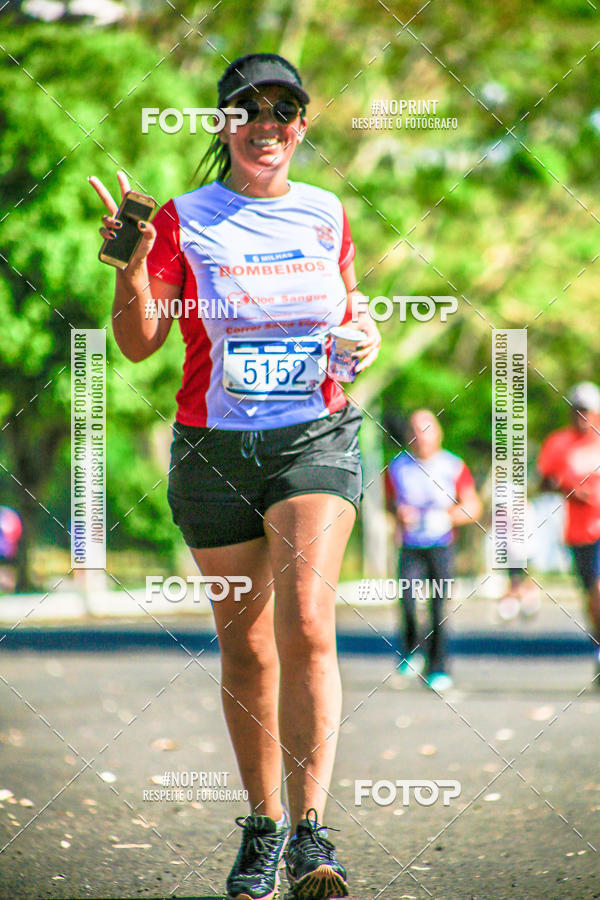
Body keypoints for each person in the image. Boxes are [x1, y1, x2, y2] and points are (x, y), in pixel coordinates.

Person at [90, 53, 381, 900]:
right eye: (248, 110)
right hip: (212, 448)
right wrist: (133, 268)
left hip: (312, 438)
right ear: (223, 124)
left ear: (303, 125)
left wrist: (366, 336)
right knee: (247, 650)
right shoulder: (183, 218)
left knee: (308, 622)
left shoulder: (327, 212)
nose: (267, 125)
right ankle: (263, 826)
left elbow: (353, 311)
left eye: (284, 110)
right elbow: (139, 344)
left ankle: (311, 834)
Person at [385, 410, 482, 692]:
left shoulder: (452, 465)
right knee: (407, 600)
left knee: (438, 607)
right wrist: (399, 513)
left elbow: (473, 506)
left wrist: (448, 517)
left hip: (441, 544)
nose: (421, 437)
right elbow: (389, 503)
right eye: (415, 431)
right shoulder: (397, 466)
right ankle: (412, 649)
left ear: (438, 433)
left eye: (426, 430)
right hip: (411, 545)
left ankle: (438, 667)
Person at [537, 382, 600, 681]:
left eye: (587, 411)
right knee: (590, 593)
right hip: (578, 532)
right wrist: (568, 486)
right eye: (577, 410)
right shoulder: (559, 443)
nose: (582, 417)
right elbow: (543, 481)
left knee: (599, 588)